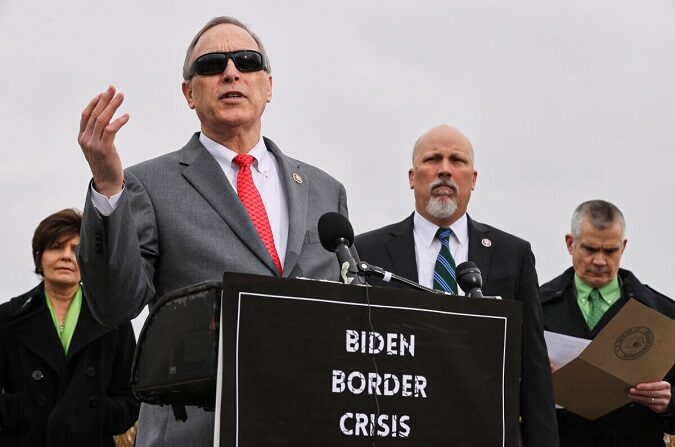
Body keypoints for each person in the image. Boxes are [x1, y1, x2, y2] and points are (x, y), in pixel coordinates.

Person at [76, 16, 350, 446]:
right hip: (197, 428)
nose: (230, 72)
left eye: (246, 60)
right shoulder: (148, 185)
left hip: (308, 423)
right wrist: (109, 189)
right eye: (211, 65)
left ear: (269, 86)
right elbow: (113, 305)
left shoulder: (324, 191)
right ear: (189, 93)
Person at [354, 124, 559, 446]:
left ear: (473, 179)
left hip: (484, 430)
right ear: (411, 177)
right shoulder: (368, 251)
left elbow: (533, 365)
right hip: (397, 428)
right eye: (433, 159)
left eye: (457, 161)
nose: (445, 170)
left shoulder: (512, 254)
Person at [540, 200, 675, 446]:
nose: (600, 261)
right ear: (571, 244)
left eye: (610, 251)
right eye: (590, 249)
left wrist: (668, 403)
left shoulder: (664, 314)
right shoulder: (533, 308)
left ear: (623, 247)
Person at [0, 209, 139, 447]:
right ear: (39, 257)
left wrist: (92, 413)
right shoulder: (7, 317)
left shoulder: (114, 319)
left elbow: (130, 398)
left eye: (77, 250)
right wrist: (25, 409)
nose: (66, 256)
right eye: (56, 247)